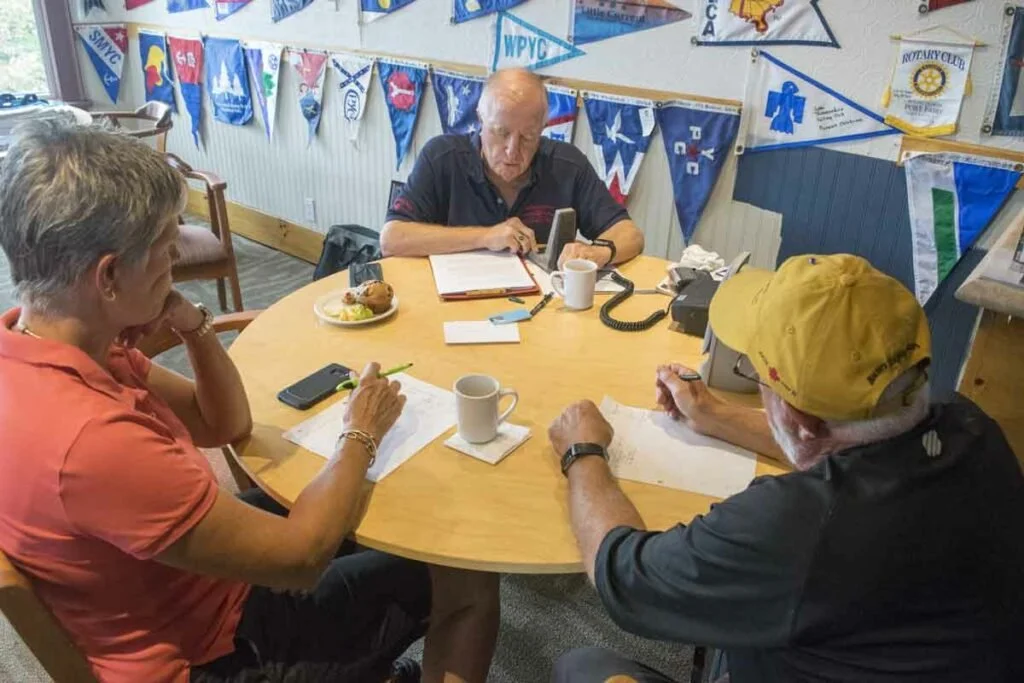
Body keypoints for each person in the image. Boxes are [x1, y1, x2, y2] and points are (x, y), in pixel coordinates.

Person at [0, 121, 499, 683]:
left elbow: (223, 424)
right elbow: (299, 559)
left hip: (179, 589)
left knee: (347, 501)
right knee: (466, 574)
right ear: (109, 275)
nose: (177, 260)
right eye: (167, 248)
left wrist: (192, 325)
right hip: (216, 653)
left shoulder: (48, 342)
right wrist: (361, 432)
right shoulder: (92, 441)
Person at [546, 254, 1024, 683]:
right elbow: (845, 442)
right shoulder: (973, 427)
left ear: (797, 419)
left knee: (581, 667)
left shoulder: (796, 524)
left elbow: (623, 574)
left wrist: (582, 450)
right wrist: (717, 416)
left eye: (755, 375)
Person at [380, 68, 645, 268]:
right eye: (500, 132)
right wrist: (485, 237)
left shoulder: (567, 165)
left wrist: (598, 252)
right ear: (480, 119)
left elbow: (629, 234)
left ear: (543, 129)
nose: (512, 150)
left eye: (528, 137)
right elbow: (392, 238)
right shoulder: (442, 157)